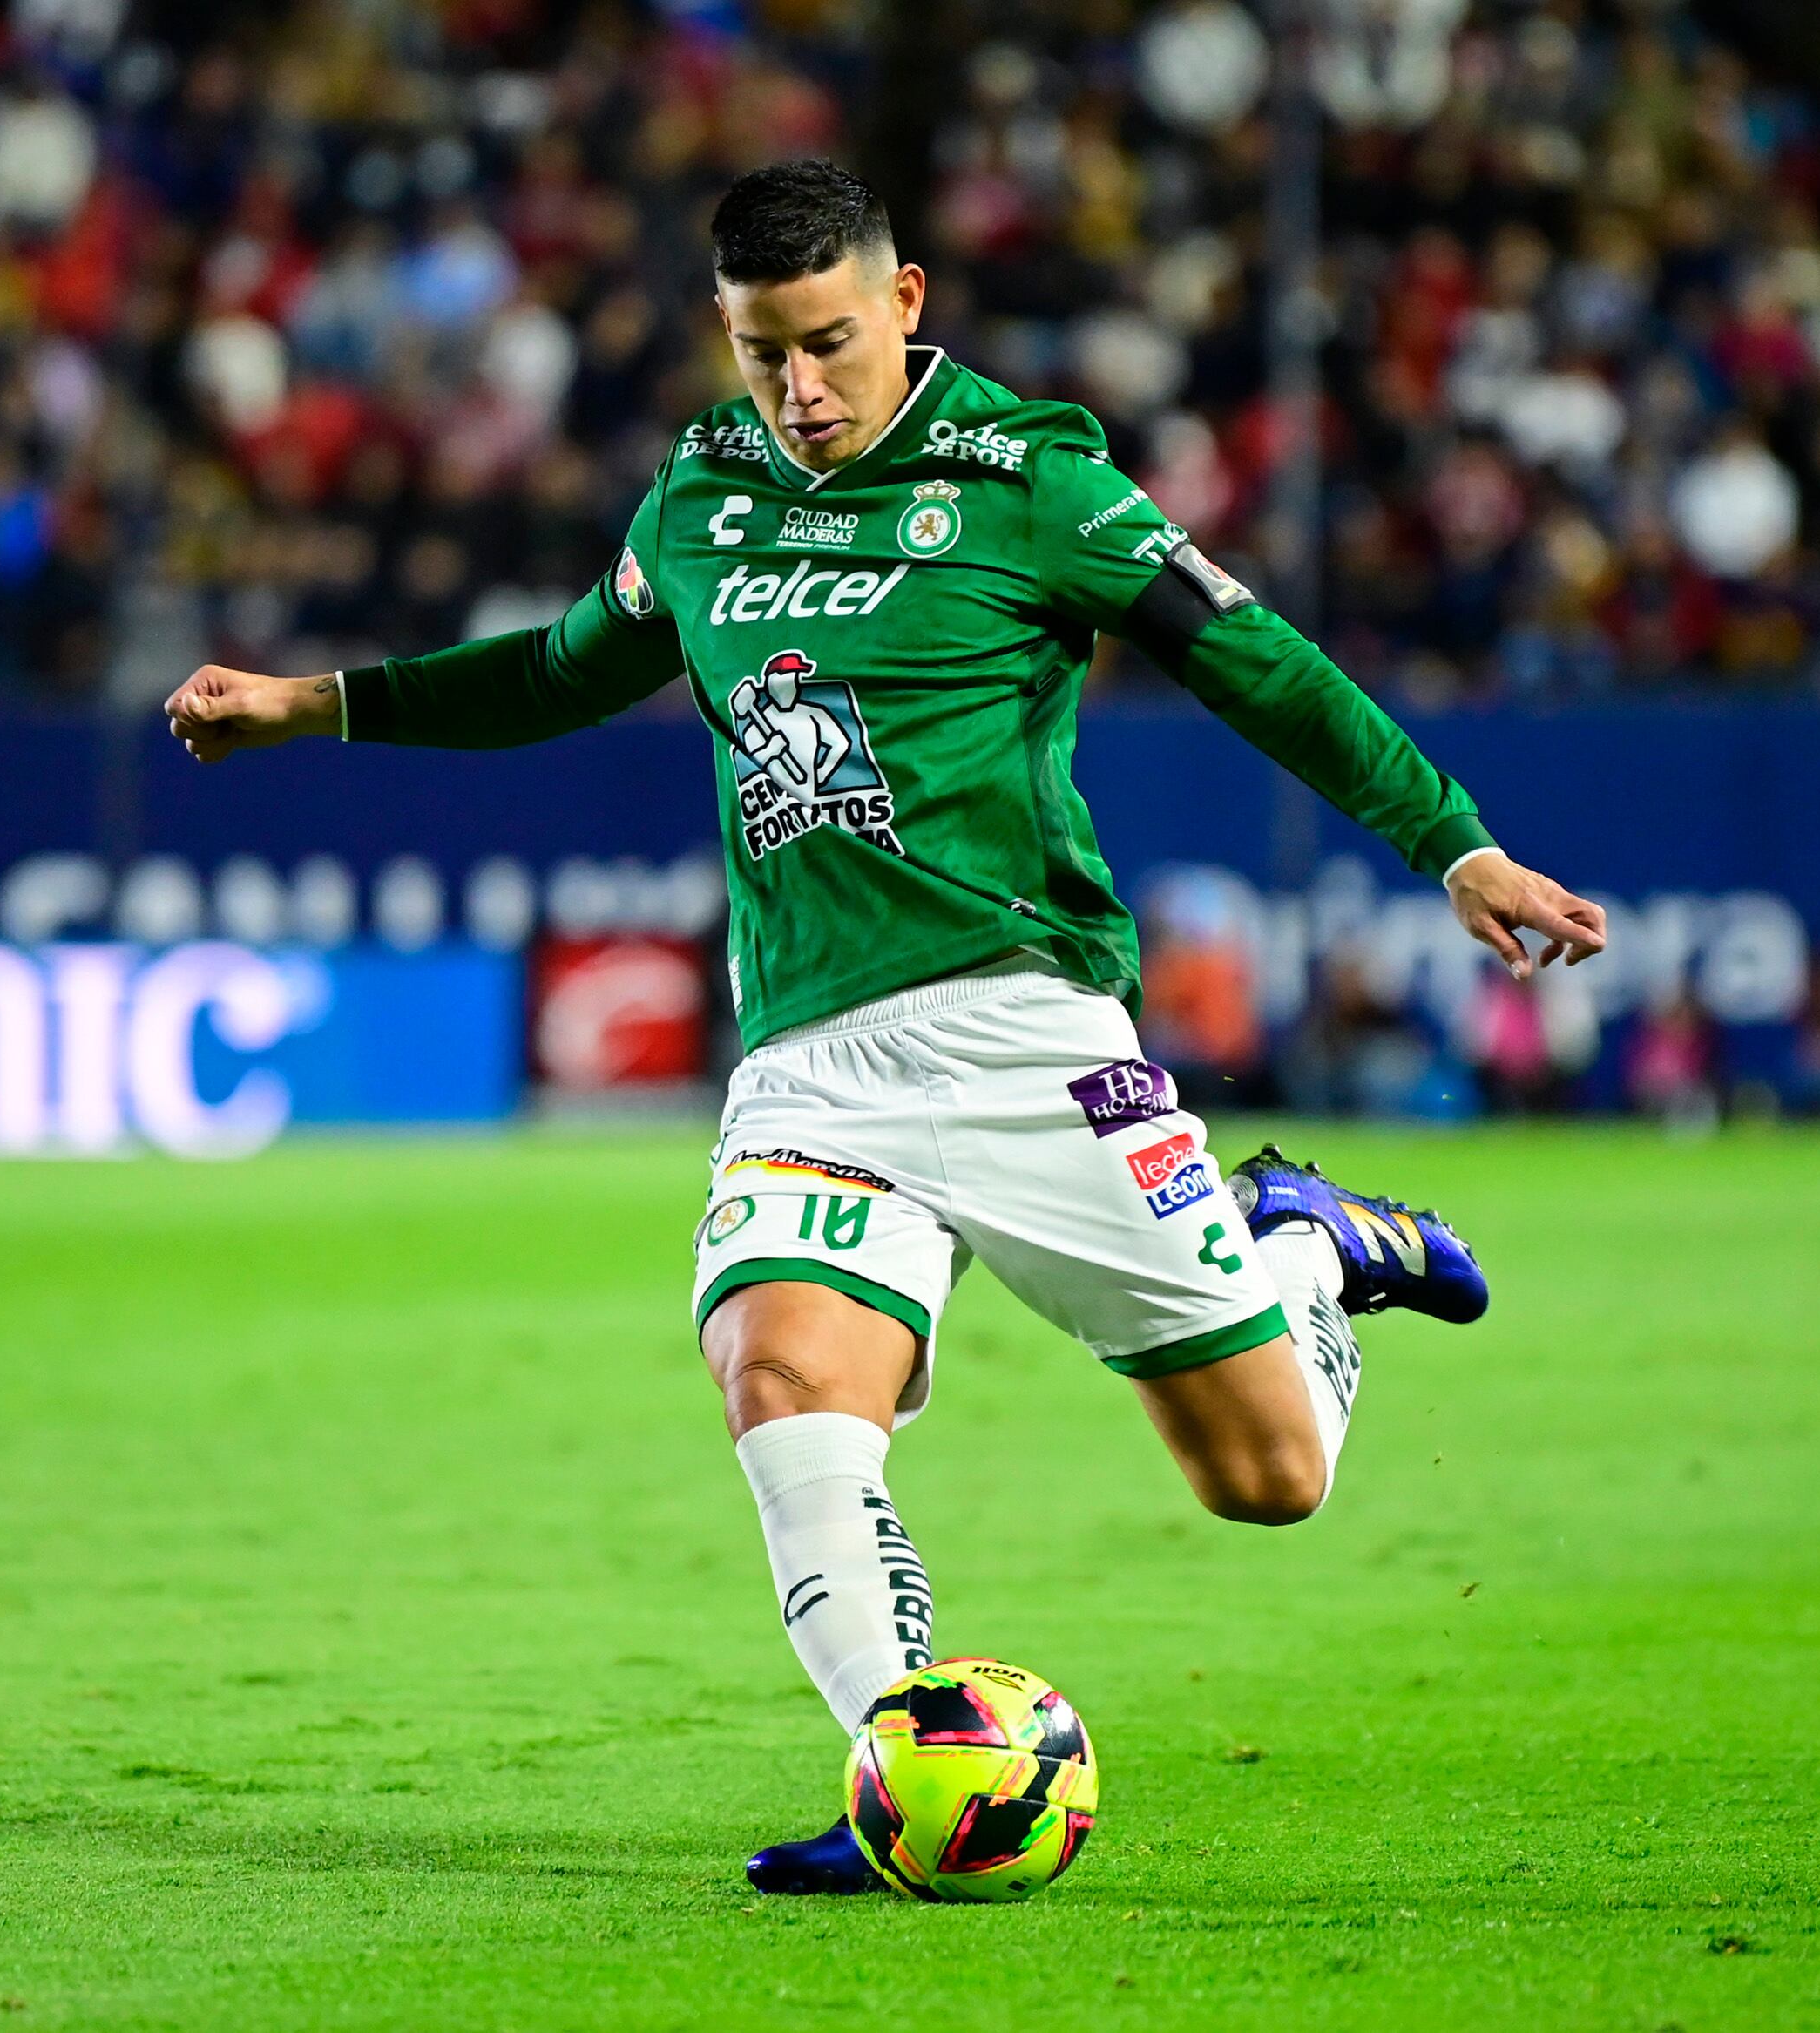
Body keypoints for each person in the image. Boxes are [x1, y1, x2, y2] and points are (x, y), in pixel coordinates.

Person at [159, 162, 1607, 1894]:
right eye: (764, 352)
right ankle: (905, 1773)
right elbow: (559, 670)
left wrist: (1452, 838)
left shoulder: (1032, 479)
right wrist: (312, 706)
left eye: (832, 343)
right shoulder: (700, 493)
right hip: (808, 1062)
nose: (800, 389)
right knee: (779, 1377)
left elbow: (1258, 663)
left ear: (906, 301)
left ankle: (1301, 1241)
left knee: (1270, 1477)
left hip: (1025, 1037)